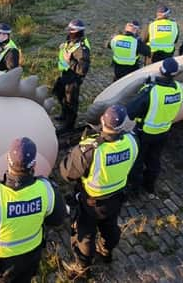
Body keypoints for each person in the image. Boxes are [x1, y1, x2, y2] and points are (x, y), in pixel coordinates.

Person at [0, 137, 66, 283]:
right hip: (29, 261)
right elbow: (58, 219)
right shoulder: (47, 190)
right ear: (33, 164)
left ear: (8, 160)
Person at [59, 105, 138, 279]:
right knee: (110, 227)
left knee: (85, 235)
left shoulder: (90, 149)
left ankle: (83, 267)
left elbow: (67, 173)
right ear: (124, 125)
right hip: (116, 198)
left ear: (102, 120)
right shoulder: (133, 141)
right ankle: (106, 251)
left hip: (90, 203)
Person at [126, 57, 183, 194]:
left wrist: (144, 88)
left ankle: (135, 189)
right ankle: (149, 185)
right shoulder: (180, 89)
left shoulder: (151, 91)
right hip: (164, 131)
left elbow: (131, 112)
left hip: (145, 133)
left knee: (138, 161)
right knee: (154, 159)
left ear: (160, 70)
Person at [52, 19, 91, 133]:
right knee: (59, 92)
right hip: (65, 74)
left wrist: (69, 61)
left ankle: (69, 125)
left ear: (78, 32)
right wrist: (64, 46)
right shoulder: (71, 39)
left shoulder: (82, 49)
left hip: (74, 77)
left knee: (71, 102)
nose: (69, 32)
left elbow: (82, 69)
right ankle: (64, 114)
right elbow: (69, 48)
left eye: (71, 30)